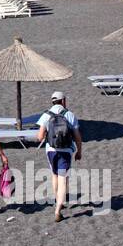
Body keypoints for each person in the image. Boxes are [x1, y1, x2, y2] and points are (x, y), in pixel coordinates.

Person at [36, 91, 83, 223]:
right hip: (66, 151)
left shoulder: (46, 115)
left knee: (55, 175)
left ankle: (57, 200)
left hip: (51, 151)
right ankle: (58, 210)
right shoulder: (69, 114)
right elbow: (77, 136)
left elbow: (39, 137)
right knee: (63, 179)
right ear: (63, 101)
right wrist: (79, 152)